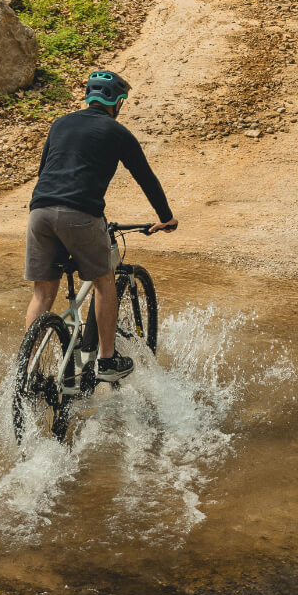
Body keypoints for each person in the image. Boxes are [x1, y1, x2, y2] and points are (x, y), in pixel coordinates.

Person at [24, 70, 178, 383]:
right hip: (80, 214)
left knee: (42, 293)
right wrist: (166, 217)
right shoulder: (117, 132)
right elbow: (145, 177)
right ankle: (107, 361)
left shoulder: (60, 124)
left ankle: (28, 370)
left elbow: (44, 171)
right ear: (117, 101)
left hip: (40, 212)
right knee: (104, 282)